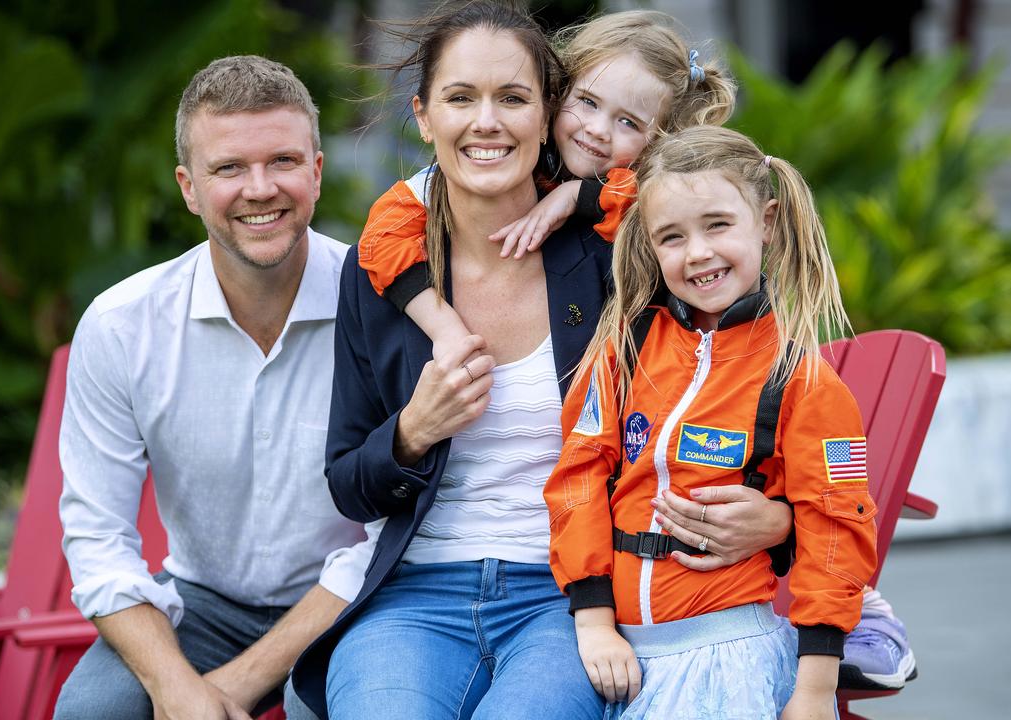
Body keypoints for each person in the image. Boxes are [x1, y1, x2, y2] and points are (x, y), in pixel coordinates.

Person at [286, 5, 791, 719]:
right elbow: (349, 484)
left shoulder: (623, 259)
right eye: (461, 98)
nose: (487, 123)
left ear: (544, 111)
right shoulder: (389, 265)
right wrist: (413, 432)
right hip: (414, 594)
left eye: (513, 98)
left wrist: (780, 519)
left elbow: (745, 372)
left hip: (570, 598)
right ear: (425, 117)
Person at [55, 56, 372, 720]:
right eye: (229, 168)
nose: (260, 188)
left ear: (316, 172)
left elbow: (393, 533)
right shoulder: (122, 327)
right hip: (199, 603)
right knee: (93, 711)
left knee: (317, 702)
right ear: (189, 187)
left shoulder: (383, 311)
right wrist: (174, 683)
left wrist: (236, 683)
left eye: (282, 161)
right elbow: (99, 536)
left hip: (353, 604)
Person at [544, 124, 879, 719]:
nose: (697, 252)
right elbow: (577, 477)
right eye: (671, 236)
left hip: (723, 657)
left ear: (768, 222)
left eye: (718, 225)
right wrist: (594, 620)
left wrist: (816, 690)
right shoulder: (624, 349)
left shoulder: (802, 379)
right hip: (610, 652)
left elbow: (837, 529)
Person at [355, 10, 734, 365]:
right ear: (558, 97)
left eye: (629, 123)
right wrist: (443, 327)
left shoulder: (648, 191)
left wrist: (577, 196)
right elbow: (381, 237)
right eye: (587, 102)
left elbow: (666, 203)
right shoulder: (477, 173)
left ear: (657, 141)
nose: (599, 129)